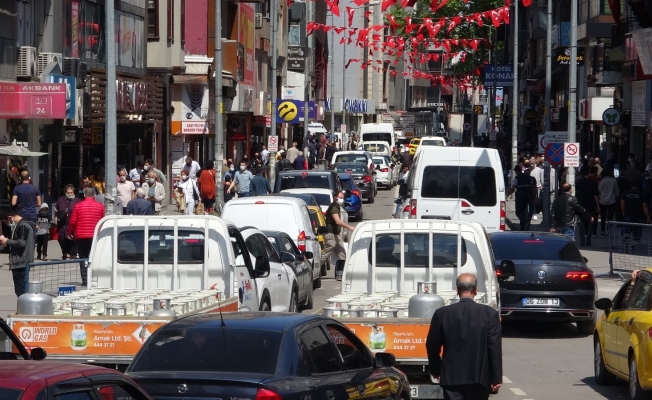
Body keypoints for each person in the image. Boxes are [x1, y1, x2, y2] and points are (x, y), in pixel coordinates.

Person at [426, 274, 502, 400]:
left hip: (451, 377)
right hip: (479, 377)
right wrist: (496, 377)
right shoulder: (489, 314)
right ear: (476, 290)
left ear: (457, 290)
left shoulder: (442, 314)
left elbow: (432, 345)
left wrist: (436, 369)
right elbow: (494, 347)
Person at [68, 187, 105, 286]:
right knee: (94, 257)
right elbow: (102, 221)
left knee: (83, 257)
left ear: (84, 195)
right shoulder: (100, 206)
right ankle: (94, 278)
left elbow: (72, 222)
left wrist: (70, 232)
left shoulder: (78, 206)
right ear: (94, 195)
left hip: (81, 235)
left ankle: (85, 279)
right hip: (95, 236)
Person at [320, 191, 355, 281]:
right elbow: (337, 221)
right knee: (327, 252)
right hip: (330, 235)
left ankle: (339, 274)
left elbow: (337, 223)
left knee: (342, 254)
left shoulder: (337, 207)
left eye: (343, 198)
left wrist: (339, 231)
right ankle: (314, 269)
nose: (341, 199)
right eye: (340, 197)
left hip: (336, 234)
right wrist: (349, 227)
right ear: (335, 197)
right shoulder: (333, 208)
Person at [0, 210, 35, 297]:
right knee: (22, 288)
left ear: (9, 218)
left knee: (20, 290)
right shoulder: (26, 224)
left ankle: (24, 309)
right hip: (23, 260)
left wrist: (7, 241)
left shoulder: (22, 225)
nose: (7, 224)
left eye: (6, 222)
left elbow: (21, 243)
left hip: (20, 261)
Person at [575, 166, 600, 246]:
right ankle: (588, 239)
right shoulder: (592, 183)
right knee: (591, 222)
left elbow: (577, 194)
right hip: (591, 204)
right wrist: (598, 205)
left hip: (581, 205)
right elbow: (595, 195)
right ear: (588, 173)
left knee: (581, 223)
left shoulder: (578, 182)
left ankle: (582, 240)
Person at [506, 165, 536, 231]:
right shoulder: (529, 177)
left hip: (520, 197)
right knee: (525, 211)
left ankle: (524, 223)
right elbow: (533, 187)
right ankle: (524, 225)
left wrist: (507, 195)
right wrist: (535, 196)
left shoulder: (517, 178)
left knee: (519, 212)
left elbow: (513, 188)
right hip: (529, 196)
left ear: (516, 171)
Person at [54, 185, 80, 260]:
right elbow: (56, 212)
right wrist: (55, 220)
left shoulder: (77, 201)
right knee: (62, 239)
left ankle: (72, 255)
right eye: (68, 192)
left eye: (71, 192)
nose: (70, 194)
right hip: (62, 225)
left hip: (73, 225)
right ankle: (64, 252)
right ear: (65, 192)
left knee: (73, 242)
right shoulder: (60, 200)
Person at [598, 168, 619, 237]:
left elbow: (599, 190)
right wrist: (617, 196)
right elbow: (616, 191)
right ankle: (609, 231)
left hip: (602, 200)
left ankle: (602, 231)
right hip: (612, 200)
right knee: (610, 217)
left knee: (603, 217)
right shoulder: (613, 180)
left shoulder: (602, 181)